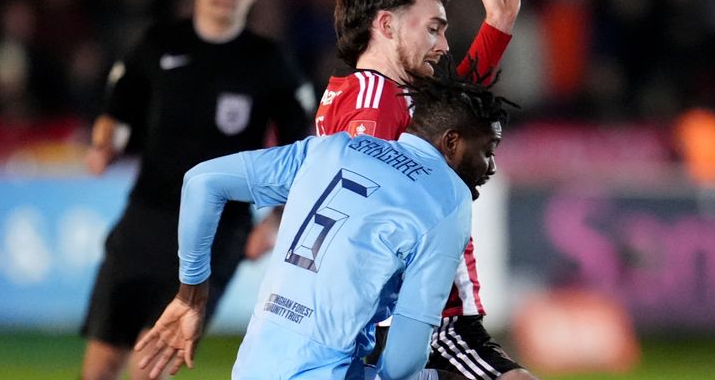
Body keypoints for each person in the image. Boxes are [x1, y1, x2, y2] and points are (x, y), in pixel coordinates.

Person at [135, 56, 515, 380]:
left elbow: (202, 182)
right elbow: (401, 364)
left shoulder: (331, 148)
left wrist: (190, 296)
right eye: (488, 150)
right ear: (451, 142)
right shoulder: (448, 197)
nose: (492, 166)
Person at [78, 0, 312, 379]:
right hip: (144, 220)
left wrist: (276, 219)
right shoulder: (158, 44)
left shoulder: (270, 62)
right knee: (100, 365)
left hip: (217, 233)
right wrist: (105, 142)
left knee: (152, 365)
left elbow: (304, 149)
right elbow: (118, 107)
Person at [317, 0, 537, 380]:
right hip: (426, 317)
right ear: (386, 26)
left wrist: (498, 24)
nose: (443, 44)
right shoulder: (376, 110)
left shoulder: (373, 96)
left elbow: (454, 106)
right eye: (433, 29)